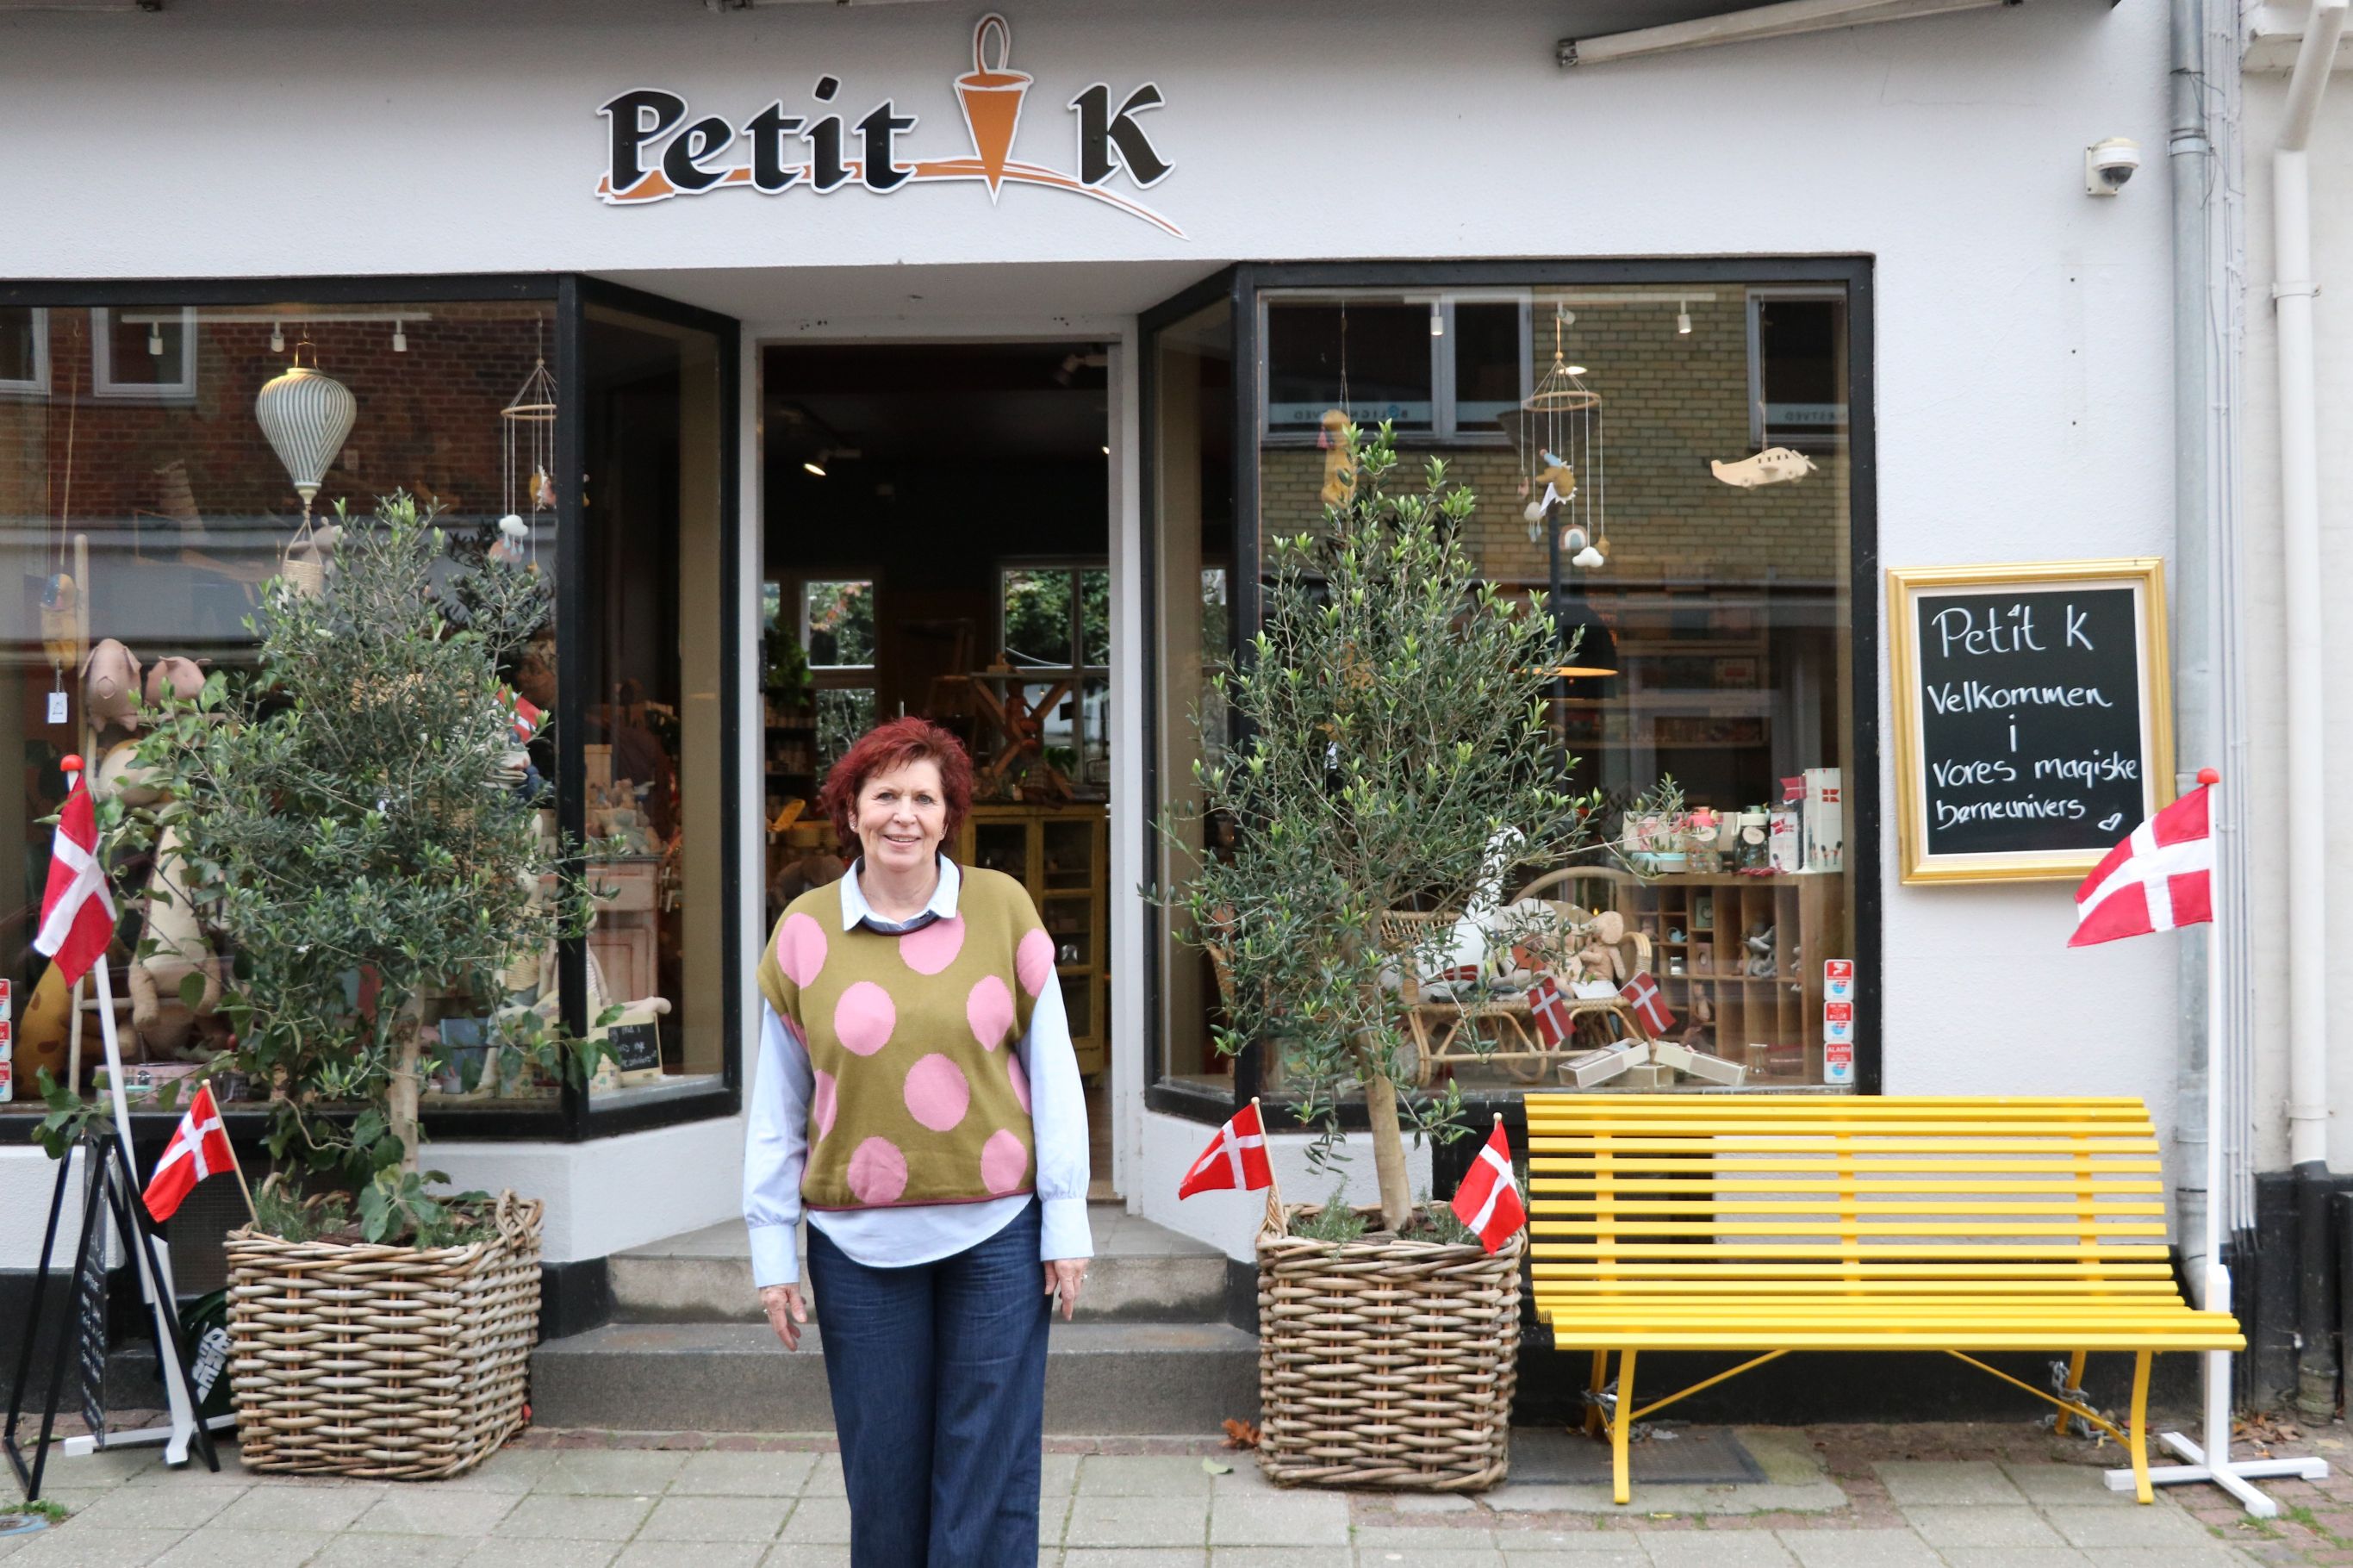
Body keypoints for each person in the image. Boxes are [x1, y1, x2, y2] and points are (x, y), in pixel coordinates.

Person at [745, 716, 1092, 1565]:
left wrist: (1067, 1217)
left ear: (949, 815)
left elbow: (1053, 1072)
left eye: (925, 797)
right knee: (884, 1473)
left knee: (990, 1467)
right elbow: (776, 1101)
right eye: (885, 794)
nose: (905, 813)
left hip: (998, 1236)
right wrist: (770, 1249)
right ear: (852, 809)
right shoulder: (803, 929)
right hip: (855, 1242)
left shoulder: (1002, 908)